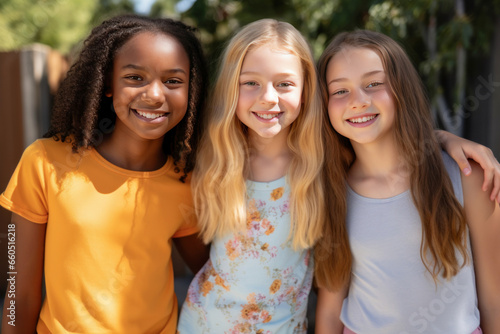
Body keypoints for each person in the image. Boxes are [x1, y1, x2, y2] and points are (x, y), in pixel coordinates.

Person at [0, 14, 209, 334]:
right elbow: (19, 295)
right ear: (108, 83)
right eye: (135, 77)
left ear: (190, 91)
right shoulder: (45, 162)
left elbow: (214, 277)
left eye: (173, 81)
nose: (155, 94)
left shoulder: (186, 182)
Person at [314, 30, 500, 334]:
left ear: (403, 89)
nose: (359, 101)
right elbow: (330, 311)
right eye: (340, 91)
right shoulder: (332, 191)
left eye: (374, 84)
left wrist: (440, 139)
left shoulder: (467, 176)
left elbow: (494, 300)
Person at [176, 18, 327, 333]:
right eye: (251, 83)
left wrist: (441, 138)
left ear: (306, 88)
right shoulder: (213, 159)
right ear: (232, 87)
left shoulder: (323, 163)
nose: (268, 97)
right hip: (204, 324)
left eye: (284, 84)